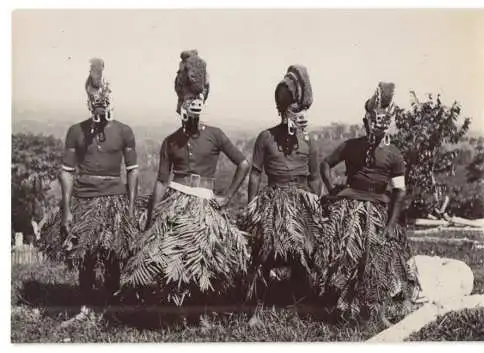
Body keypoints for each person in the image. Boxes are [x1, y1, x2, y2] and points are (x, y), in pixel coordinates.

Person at [122, 50, 250, 306]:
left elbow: (244, 164)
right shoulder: (170, 141)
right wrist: (152, 216)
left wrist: (227, 197)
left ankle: (202, 309)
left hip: (205, 203)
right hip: (175, 200)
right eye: (188, 101)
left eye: (197, 101)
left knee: (209, 258)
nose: (192, 107)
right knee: (168, 256)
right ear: (181, 104)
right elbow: (161, 181)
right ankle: (176, 307)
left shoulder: (215, 134)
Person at [318, 82, 418, 325]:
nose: (373, 128)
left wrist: (391, 224)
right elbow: (325, 165)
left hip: (379, 211)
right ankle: (342, 307)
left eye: (380, 124)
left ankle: (377, 311)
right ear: (365, 123)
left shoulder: (394, 154)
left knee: (380, 261)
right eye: (370, 122)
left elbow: (399, 192)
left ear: (386, 127)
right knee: (344, 258)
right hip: (349, 207)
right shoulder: (351, 146)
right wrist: (333, 191)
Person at [43, 58, 139, 303]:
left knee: (113, 254)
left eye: (102, 102)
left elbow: (132, 171)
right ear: (88, 102)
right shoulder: (76, 131)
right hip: (83, 198)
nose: (98, 108)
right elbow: (66, 171)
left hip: (114, 199)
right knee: (84, 255)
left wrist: (128, 207)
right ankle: (85, 306)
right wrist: (66, 210)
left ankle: (111, 306)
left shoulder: (124, 131)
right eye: (94, 102)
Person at [239, 65, 323, 309]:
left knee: (306, 250)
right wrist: (252, 207)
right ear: (283, 110)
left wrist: (315, 206)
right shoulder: (266, 138)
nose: (298, 116)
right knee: (265, 251)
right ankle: (258, 306)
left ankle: (302, 299)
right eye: (294, 110)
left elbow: (315, 177)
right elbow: (255, 174)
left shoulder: (310, 142)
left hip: (302, 203)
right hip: (273, 200)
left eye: (301, 110)